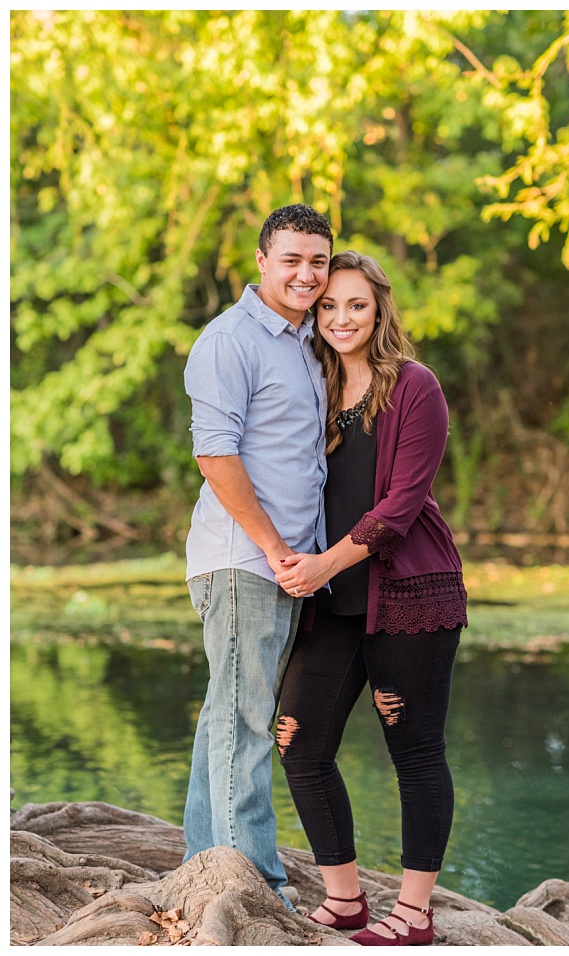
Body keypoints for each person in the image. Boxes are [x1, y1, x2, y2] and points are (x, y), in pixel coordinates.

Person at [272, 250, 468, 946]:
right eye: (328, 305)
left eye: (356, 304)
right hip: (334, 602)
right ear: (313, 313)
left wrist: (322, 562)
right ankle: (346, 899)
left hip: (410, 597)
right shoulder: (313, 388)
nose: (341, 317)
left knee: (414, 752)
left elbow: (400, 506)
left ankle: (414, 914)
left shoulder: (415, 387)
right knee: (299, 742)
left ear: (379, 308)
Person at [182, 203, 332, 906]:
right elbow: (215, 455)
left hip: (284, 565)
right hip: (245, 560)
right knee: (244, 721)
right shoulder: (230, 340)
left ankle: (207, 867)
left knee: (228, 713)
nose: (306, 273)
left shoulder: (305, 341)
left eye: (318, 260)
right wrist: (275, 549)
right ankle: (254, 886)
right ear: (261, 262)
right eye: (292, 259)